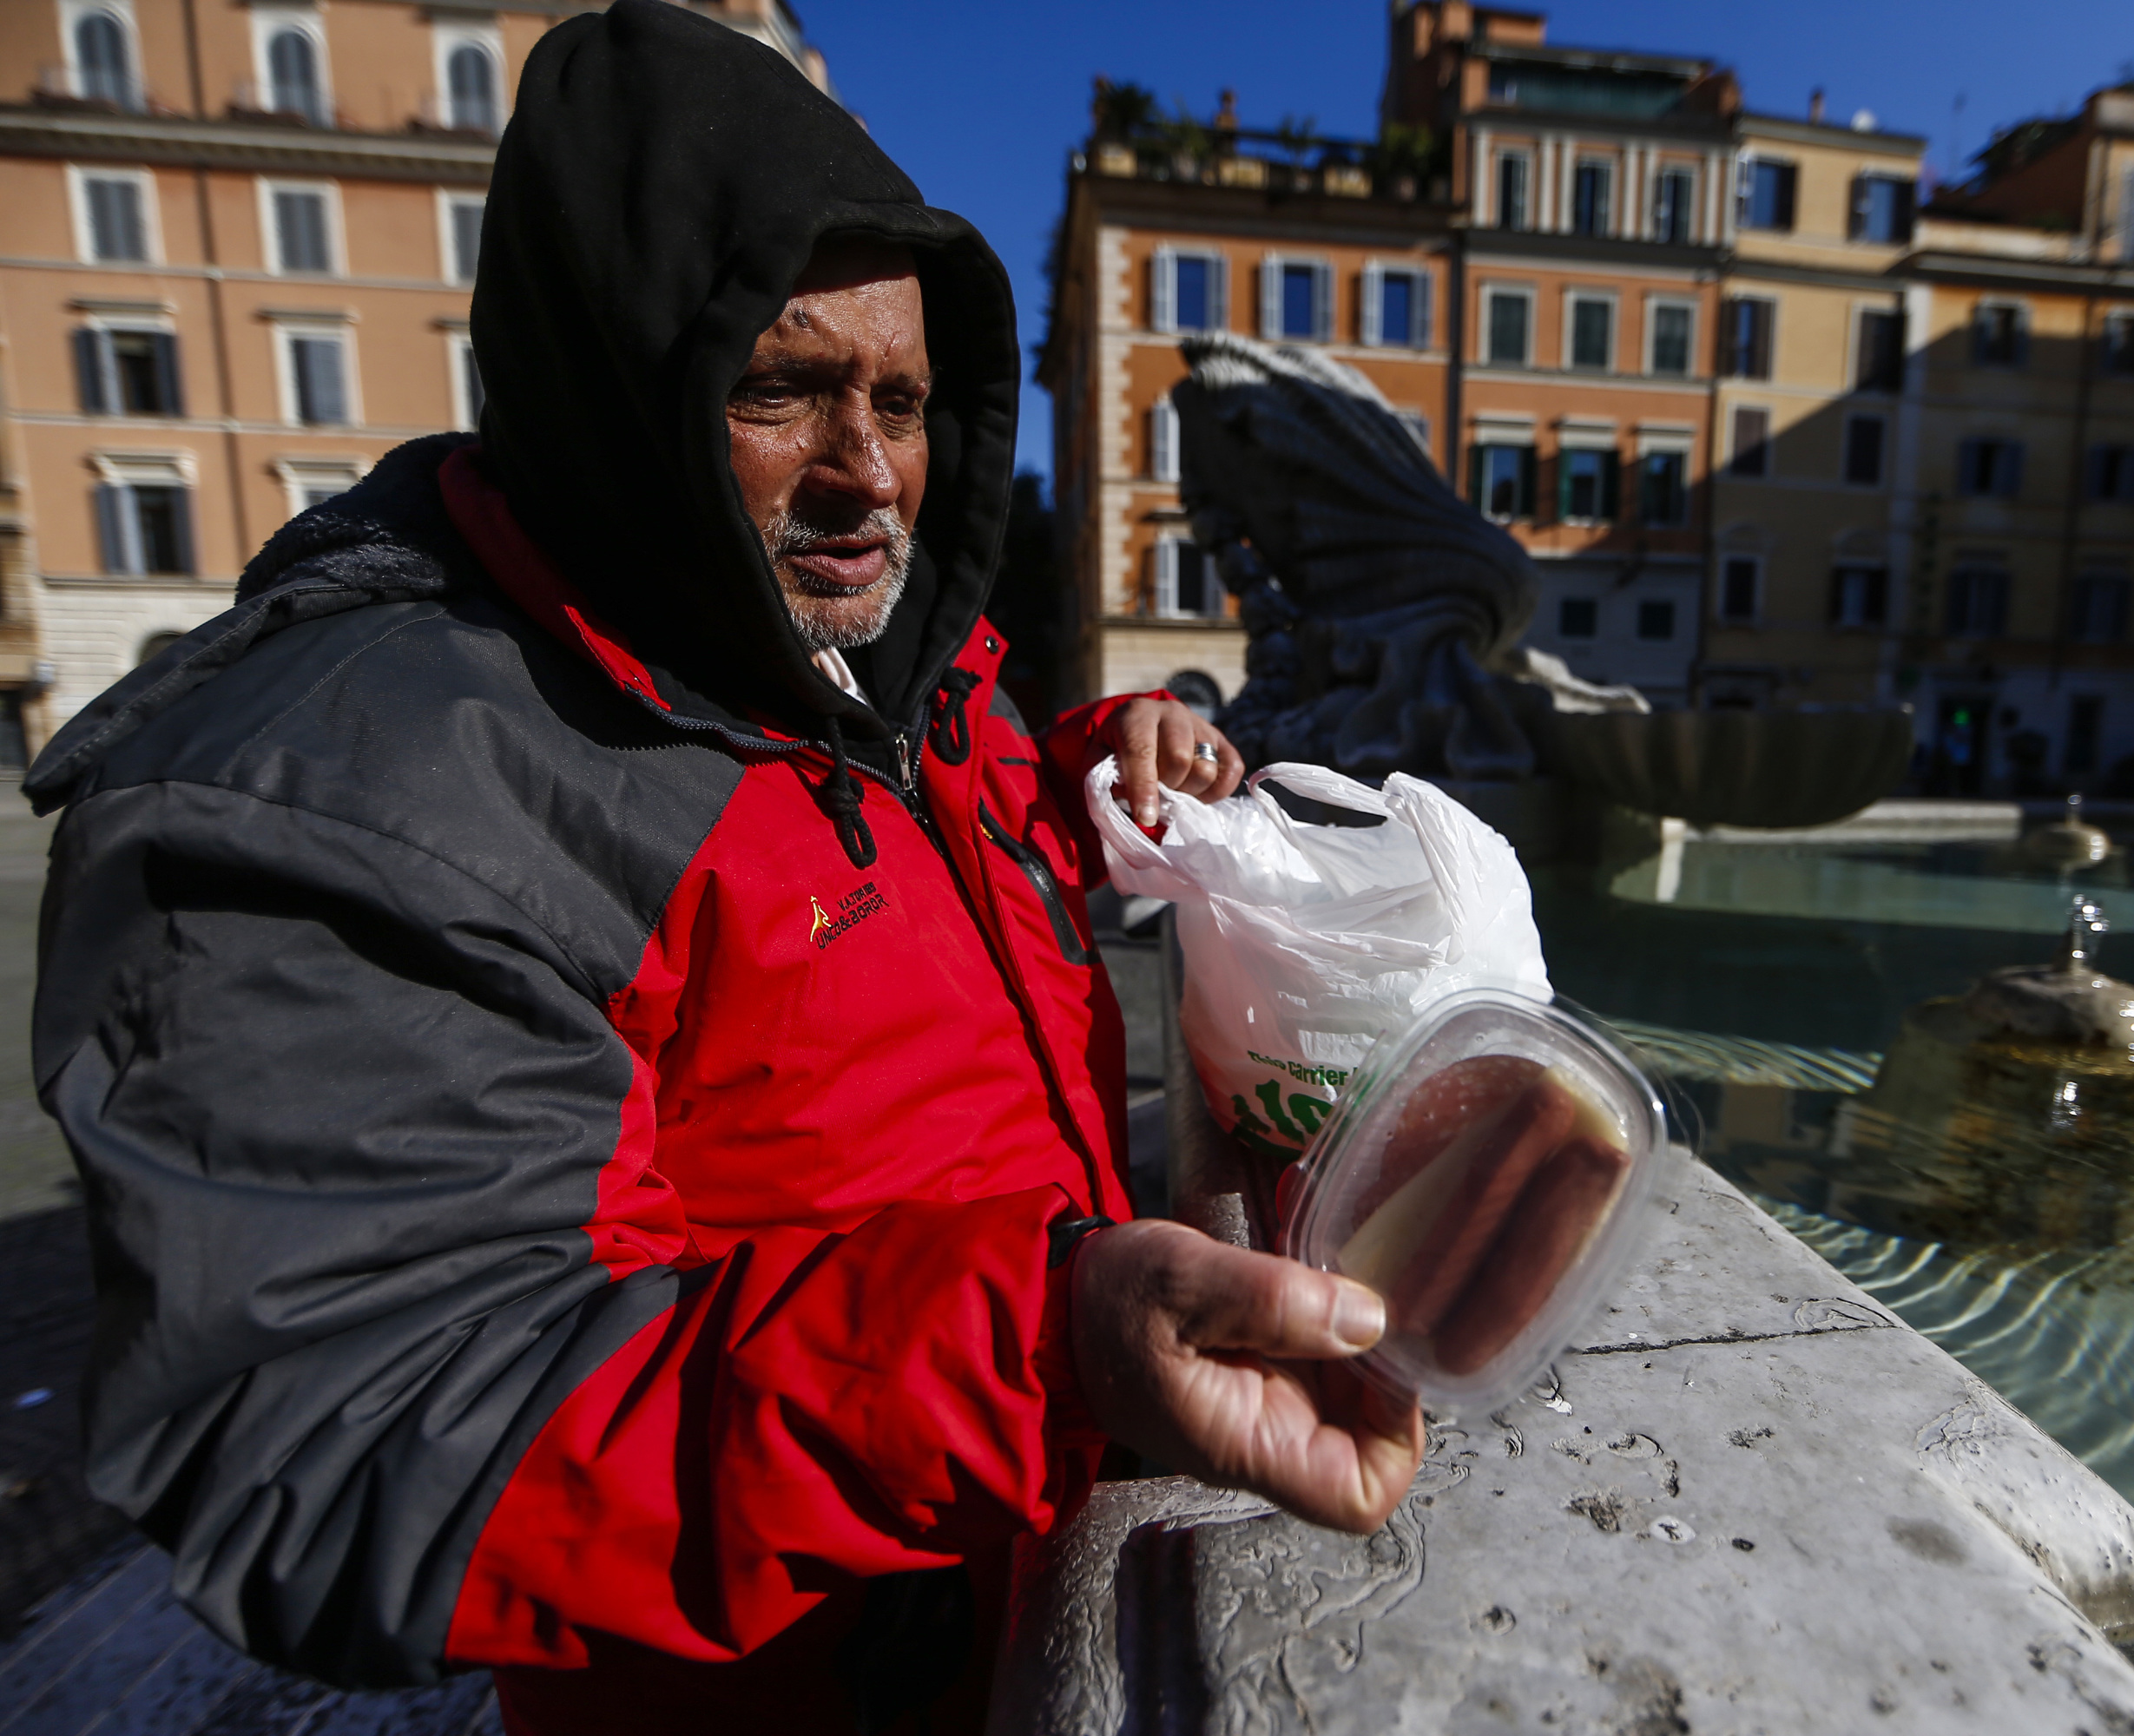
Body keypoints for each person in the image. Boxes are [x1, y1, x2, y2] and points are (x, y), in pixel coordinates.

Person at [23, 5, 1417, 1731]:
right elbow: (368, 1432)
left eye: (903, 402)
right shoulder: (343, 802)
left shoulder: (859, 665)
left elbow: (930, 819)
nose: (867, 475)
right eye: (782, 386)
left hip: (996, 1588)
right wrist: (1042, 1350)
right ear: (618, 385)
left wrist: (1103, 752)